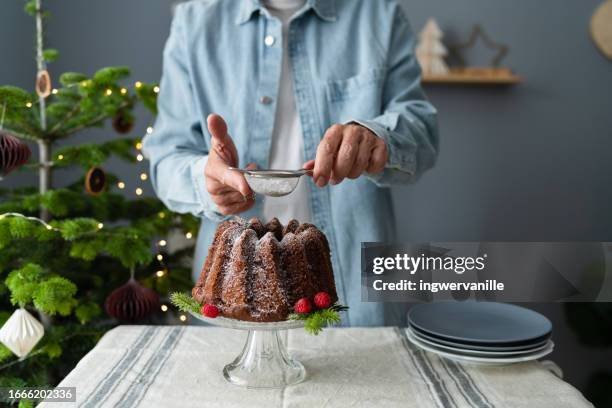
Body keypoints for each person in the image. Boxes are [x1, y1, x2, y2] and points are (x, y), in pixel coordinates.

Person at [143, 0, 439, 326]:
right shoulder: (196, 21)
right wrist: (205, 180)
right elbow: (166, 157)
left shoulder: (378, 15)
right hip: (233, 303)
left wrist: (377, 138)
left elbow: (422, 133)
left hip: (356, 304)